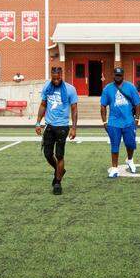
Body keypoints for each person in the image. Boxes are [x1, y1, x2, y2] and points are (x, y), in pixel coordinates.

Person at [35, 66, 78, 195]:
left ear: (61, 75)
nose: (56, 80)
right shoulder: (47, 87)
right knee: (47, 154)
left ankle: (58, 182)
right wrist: (38, 122)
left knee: (59, 155)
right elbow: (43, 104)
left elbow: (74, 109)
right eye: (54, 78)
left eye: (58, 78)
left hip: (62, 127)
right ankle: (60, 170)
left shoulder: (70, 89)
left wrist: (74, 128)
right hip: (49, 126)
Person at [99, 67, 140, 177]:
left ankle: (130, 160)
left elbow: (138, 103)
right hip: (114, 122)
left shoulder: (130, 87)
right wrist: (104, 122)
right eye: (116, 75)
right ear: (113, 75)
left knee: (130, 144)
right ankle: (114, 168)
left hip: (128, 121)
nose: (118, 77)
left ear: (123, 76)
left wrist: (136, 119)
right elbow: (103, 106)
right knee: (114, 145)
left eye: (120, 75)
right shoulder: (107, 88)